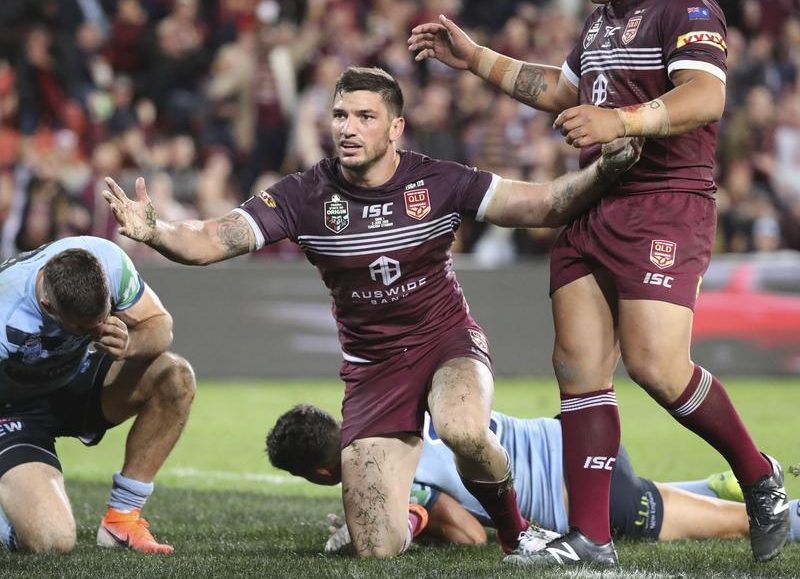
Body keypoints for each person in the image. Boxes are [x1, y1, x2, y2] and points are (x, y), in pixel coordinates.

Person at [100, 66, 642, 559]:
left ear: (395, 128)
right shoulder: (303, 195)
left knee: (463, 429)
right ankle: (421, 512)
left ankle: (515, 533)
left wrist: (603, 172)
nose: (348, 128)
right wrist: (157, 232)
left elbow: (543, 204)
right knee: (376, 549)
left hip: (445, 341)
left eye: (365, 116)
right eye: (340, 115)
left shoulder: (439, 180)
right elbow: (214, 238)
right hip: (373, 368)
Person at [408, 2, 790, 566]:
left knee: (656, 365)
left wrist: (622, 121)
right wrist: (478, 59)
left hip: (665, 202)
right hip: (595, 196)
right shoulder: (600, 21)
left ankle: (759, 478)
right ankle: (590, 537)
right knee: (577, 368)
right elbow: (564, 91)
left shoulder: (685, 9)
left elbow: (706, 97)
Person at [266, 404, 800, 554]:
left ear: (319, 473)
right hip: (579, 443)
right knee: (680, 503)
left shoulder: (385, 479)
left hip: (583, 495)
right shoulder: (392, 407)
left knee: (747, 525)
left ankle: (762, 505)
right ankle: (715, 486)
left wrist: (379, 528)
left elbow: (468, 535)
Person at [0, 236, 196, 554]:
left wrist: (130, 344)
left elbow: (160, 326)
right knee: (53, 542)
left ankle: (122, 519)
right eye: (85, 328)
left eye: (104, 318)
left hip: (73, 378)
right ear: (48, 307)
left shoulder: (108, 261)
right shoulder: (5, 309)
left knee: (175, 377)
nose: (99, 329)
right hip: (13, 408)